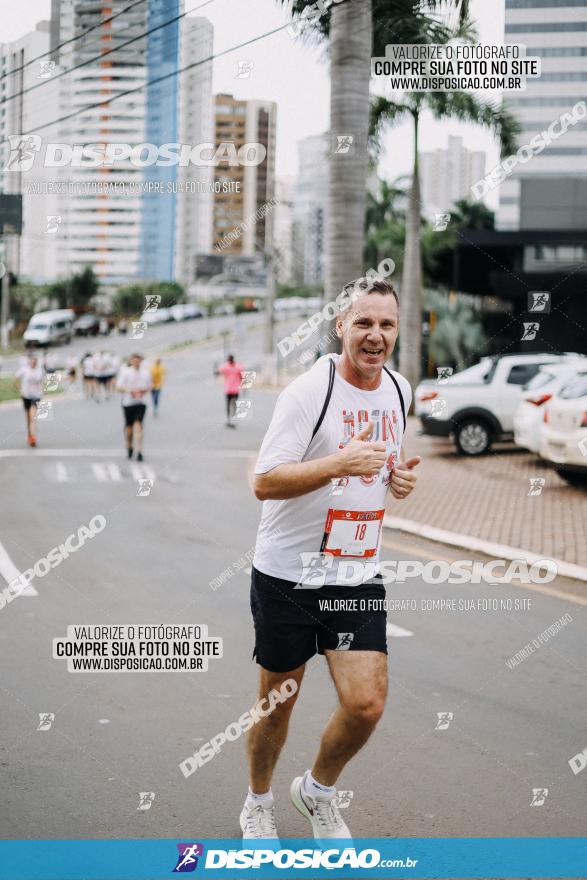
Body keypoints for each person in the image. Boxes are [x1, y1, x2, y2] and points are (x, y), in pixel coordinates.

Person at [240, 278, 421, 840]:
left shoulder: (399, 391)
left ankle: (316, 791)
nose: (375, 335)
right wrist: (337, 464)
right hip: (288, 575)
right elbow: (264, 482)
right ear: (340, 326)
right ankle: (259, 801)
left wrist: (397, 480)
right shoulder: (307, 393)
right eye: (363, 323)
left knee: (366, 705)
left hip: (355, 573)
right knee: (277, 706)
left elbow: (378, 469)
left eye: (386, 324)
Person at [116, 353, 151, 461]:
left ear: (141, 361)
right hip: (128, 402)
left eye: (138, 360)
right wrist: (130, 391)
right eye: (134, 360)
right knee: (129, 428)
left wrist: (142, 391)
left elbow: (150, 386)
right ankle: (129, 445)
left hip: (141, 402)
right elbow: (119, 387)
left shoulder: (146, 373)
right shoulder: (126, 372)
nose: (136, 362)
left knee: (138, 425)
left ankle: (139, 450)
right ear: (131, 361)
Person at [15, 354, 45, 447]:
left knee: (33, 417)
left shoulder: (40, 370)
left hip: (36, 396)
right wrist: (19, 388)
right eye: (32, 361)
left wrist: (43, 389)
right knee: (28, 418)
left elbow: (43, 381)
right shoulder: (24, 370)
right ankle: (30, 434)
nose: (33, 363)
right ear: (29, 361)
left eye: (35, 361)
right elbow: (16, 378)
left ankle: (33, 437)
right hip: (26, 396)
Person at [217, 354, 244, 428]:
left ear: (228, 360)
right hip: (236, 390)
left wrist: (216, 366)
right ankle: (233, 416)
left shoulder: (226, 367)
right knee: (234, 403)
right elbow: (242, 377)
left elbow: (218, 372)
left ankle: (229, 419)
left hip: (228, 389)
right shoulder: (238, 367)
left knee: (228, 405)